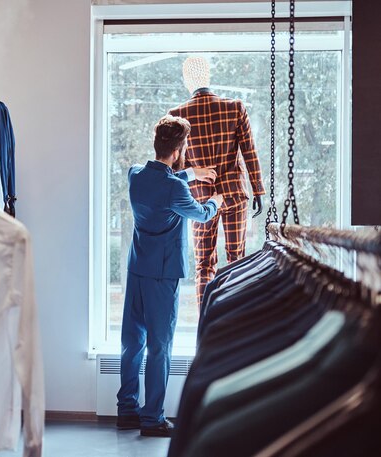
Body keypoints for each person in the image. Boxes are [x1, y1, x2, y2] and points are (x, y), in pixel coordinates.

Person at [116, 115, 223, 437]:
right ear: (179, 149)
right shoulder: (175, 188)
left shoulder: (135, 175)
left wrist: (192, 174)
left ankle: (126, 412)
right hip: (162, 277)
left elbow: (161, 182)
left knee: (132, 343)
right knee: (160, 347)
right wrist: (216, 200)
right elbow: (201, 214)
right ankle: (153, 419)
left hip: (137, 270)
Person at [168, 56, 265, 308]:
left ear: (187, 79)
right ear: (208, 76)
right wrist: (258, 190)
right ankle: (234, 323)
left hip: (199, 201)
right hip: (233, 195)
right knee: (236, 260)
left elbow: (175, 164)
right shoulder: (235, 107)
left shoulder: (177, 116)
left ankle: (206, 328)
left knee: (204, 267)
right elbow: (249, 152)